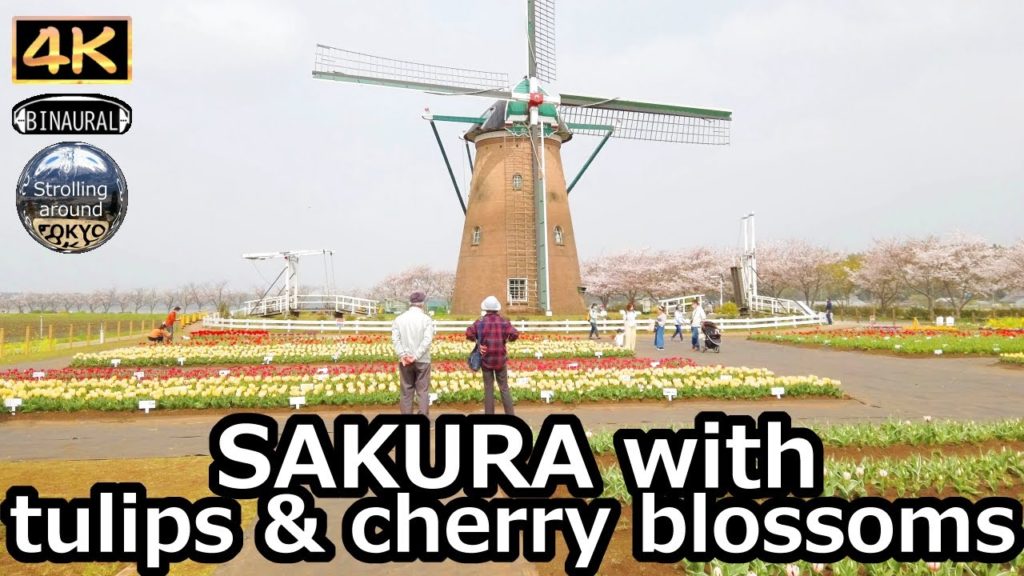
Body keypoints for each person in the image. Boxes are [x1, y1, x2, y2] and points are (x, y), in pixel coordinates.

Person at [466, 295, 519, 415]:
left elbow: (468, 333)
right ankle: (510, 415)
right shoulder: (504, 322)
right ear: (497, 308)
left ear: (485, 308)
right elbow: (515, 334)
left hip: (486, 360)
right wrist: (506, 340)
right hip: (500, 359)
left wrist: (478, 342)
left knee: (488, 389)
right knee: (504, 388)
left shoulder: (480, 322)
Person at [391, 291, 435, 416]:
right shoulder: (426, 319)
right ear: (422, 303)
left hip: (405, 361)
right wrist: (416, 356)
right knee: (422, 391)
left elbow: (395, 339)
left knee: (406, 391)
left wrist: (403, 355)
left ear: (410, 303)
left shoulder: (399, 319)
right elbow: (427, 340)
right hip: (422, 360)